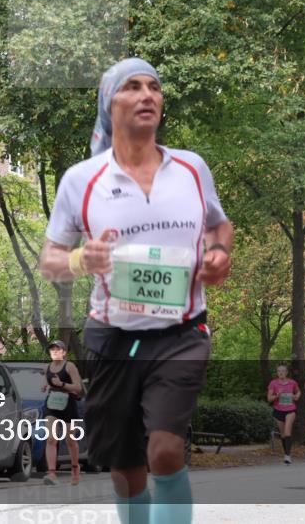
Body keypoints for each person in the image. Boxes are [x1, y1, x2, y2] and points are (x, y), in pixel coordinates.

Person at [39, 58, 233, 524]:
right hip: (113, 339)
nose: (147, 94)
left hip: (182, 333)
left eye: (154, 87)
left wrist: (219, 255)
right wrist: (81, 259)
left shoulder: (191, 168)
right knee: (125, 465)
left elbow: (218, 227)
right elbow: (49, 261)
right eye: (133, 87)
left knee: (164, 450)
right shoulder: (81, 180)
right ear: (110, 103)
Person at [41, 340, 84, 486]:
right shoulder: (48, 367)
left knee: (70, 440)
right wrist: (44, 385)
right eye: (52, 350)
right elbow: (45, 381)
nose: (54, 352)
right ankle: (51, 473)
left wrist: (62, 384)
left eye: (58, 350)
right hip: (52, 403)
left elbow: (78, 388)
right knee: (51, 439)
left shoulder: (70, 366)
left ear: (64, 352)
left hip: (68, 404)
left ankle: (75, 468)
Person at [267, 363, 301, 465]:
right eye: (279, 371)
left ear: (286, 372)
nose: (281, 373)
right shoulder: (273, 383)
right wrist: (277, 395)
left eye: (283, 371)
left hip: (290, 410)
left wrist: (296, 396)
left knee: (287, 432)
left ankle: (287, 456)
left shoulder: (292, 383)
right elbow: (269, 399)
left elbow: (299, 392)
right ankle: (286, 454)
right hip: (278, 411)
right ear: (277, 373)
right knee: (282, 434)